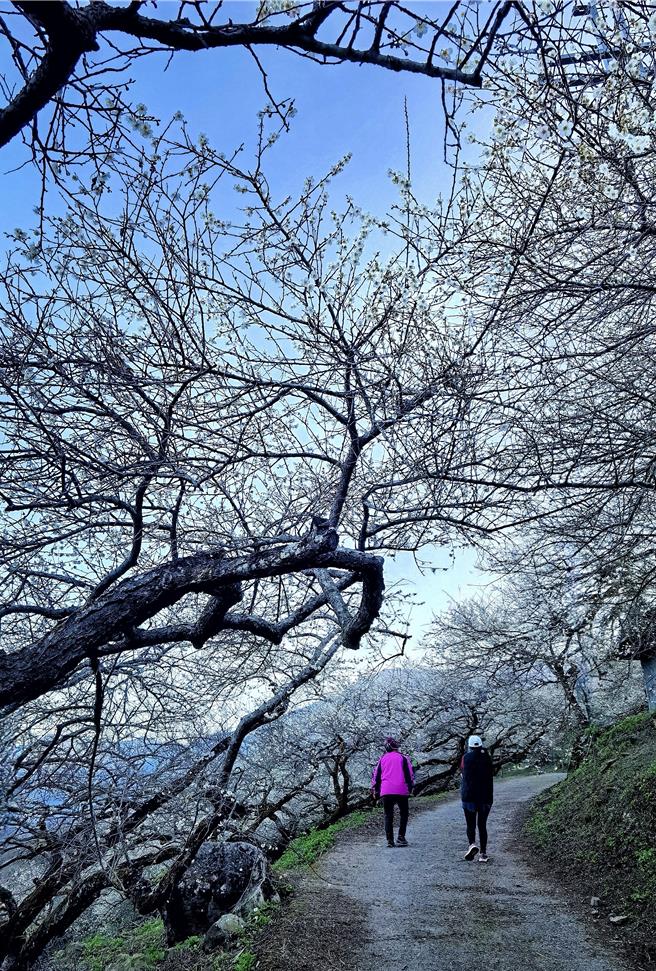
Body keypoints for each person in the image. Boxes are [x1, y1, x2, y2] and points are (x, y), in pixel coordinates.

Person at [371, 737, 415, 848]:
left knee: (388, 815)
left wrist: (375, 789)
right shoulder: (404, 758)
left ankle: (390, 840)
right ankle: (401, 837)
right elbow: (409, 775)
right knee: (404, 814)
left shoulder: (382, 759)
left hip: (386, 790)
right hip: (401, 790)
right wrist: (410, 788)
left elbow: (376, 776)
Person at [460, 734, 494, 862]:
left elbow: (463, 773)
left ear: (469, 746)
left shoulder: (465, 758)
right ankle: (483, 854)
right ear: (481, 745)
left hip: (469, 797)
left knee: (470, 824)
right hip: (485, 798)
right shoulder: (487, 758)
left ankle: (472, 844)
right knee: (482, 825)